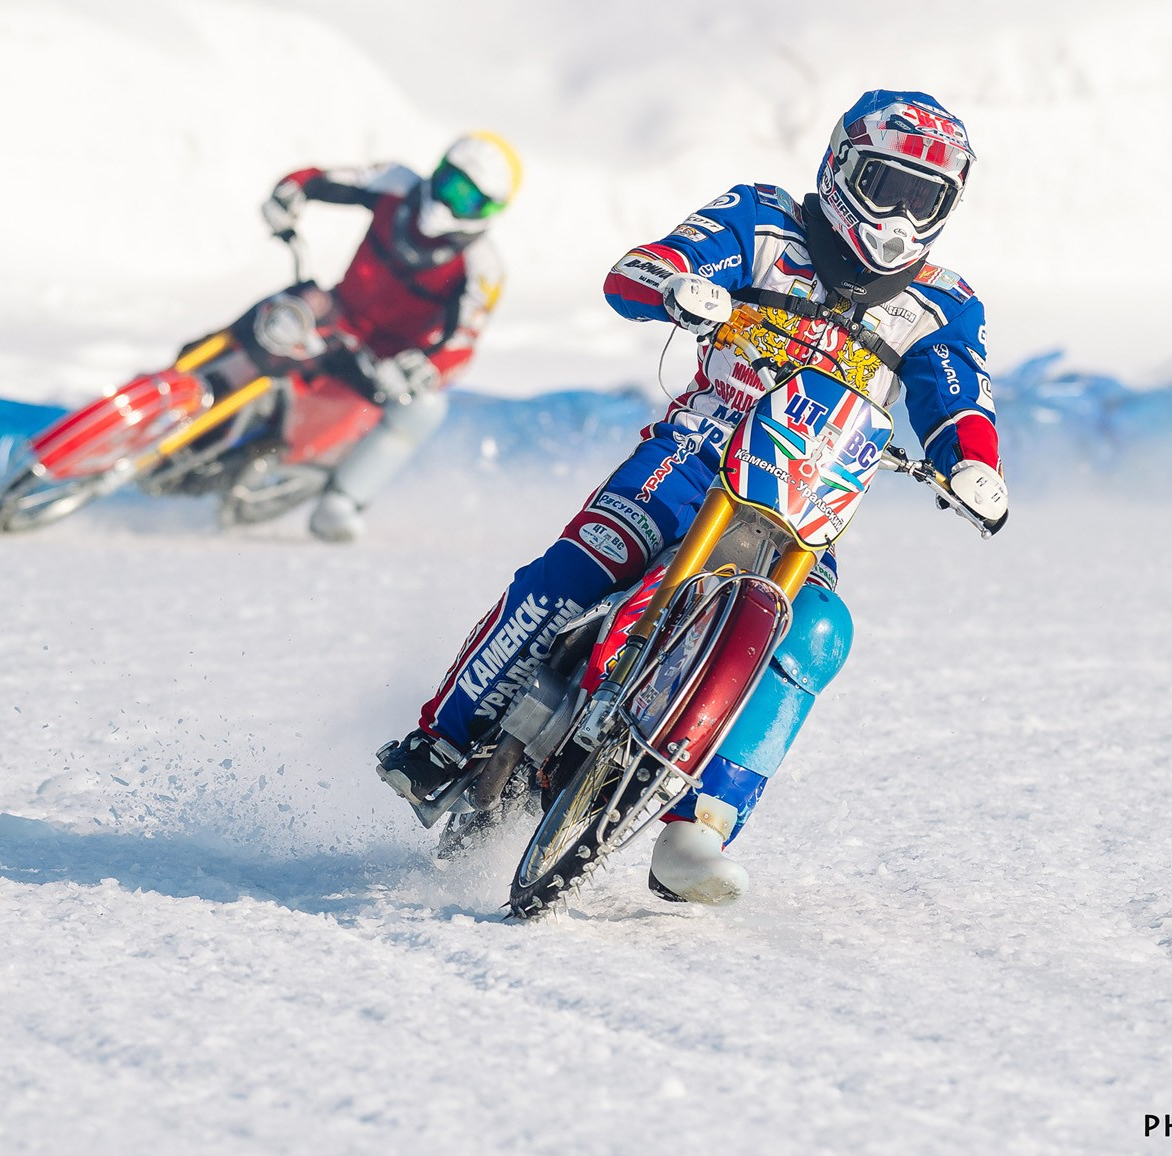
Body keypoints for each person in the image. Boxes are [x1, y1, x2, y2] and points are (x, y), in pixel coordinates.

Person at [375, 90, 1009, 905]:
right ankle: (442, 738)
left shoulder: (944, 302)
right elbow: (647, 266)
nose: (900, 215)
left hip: (811, 502)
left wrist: (971, 462)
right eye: (886, 187)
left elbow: (958, 394)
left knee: (818, 633)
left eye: (926, 198)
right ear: (841, 168)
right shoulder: (766, 221)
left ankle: (697, 830)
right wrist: (676, 283)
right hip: (697, 455)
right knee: (573, 572)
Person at [213, 132, 520, 541]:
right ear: (438, 169)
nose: (449, 202)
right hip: (336, 315)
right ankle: (196, 375)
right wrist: (290, 193)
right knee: (291, 303)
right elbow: (322, 178)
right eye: (450, 183)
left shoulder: (483, 267)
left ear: (489, 210)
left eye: (467, 198)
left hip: (385, 364)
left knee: (426, 408)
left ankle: (341, 504)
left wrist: (424, 370)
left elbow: (464, 342)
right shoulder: (396, 183)